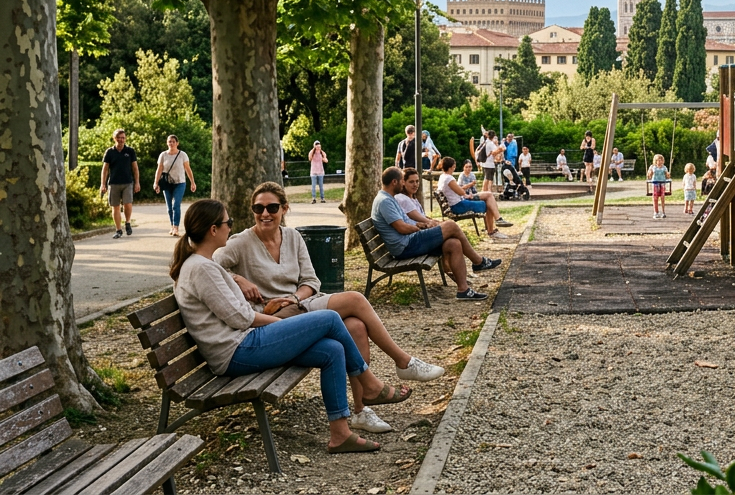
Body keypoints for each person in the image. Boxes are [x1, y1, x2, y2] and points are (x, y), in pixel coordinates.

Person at [172, 198, 408, 454]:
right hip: (236, 351)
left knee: (332, 350)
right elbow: (240, 318)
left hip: (245, 342)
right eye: (228, 222)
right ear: (213, 230)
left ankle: (340, 434)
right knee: (328, 319)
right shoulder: (201, 269)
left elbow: (238, 315)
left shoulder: (203, 265)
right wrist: (287, 324)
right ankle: (370, 385)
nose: (231, 227)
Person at [216, 182, 446, 434]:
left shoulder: (292, 236)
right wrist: (239, 279)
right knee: (356, 300)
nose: (264, 214)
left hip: (300, 304)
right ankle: (403, 362)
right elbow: (211, 264)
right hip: (274, 317)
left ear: (284, 208)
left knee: (356, 327)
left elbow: (311, 281)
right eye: (258, 208)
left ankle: (360, 411)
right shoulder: (241, 243)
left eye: (272, 207)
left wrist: (295, 298)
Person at [372, 167, 502, 300]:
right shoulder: (385, 201)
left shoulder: (389, 198)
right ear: (394, 182)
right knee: (450, 225)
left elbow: (405, 223)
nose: (403, 184)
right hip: (405, 246)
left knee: (453, 243)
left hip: (408, 241)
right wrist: (421, 228)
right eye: (401, 181)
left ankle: (463, 290)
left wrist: (421, 225)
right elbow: (402, 228)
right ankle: (478, 261)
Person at [435, 159, 512, 233]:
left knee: (488, 194)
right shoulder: (449, 179)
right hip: (458, 205)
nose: (454, 168)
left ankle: (498, 219)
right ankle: (491, 230)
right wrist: (466, 193)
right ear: (451, 167)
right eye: (454, 166)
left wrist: (466, 195)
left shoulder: (443, 176)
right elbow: (461, 191)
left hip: (461, 200)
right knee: (488, 204)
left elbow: (459, 192)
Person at [100, 128, 140, 238]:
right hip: (113, 183)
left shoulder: (130, 151)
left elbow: (135, 168)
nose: (121, 140)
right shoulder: (110, 152)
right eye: (119, 138)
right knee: (115, 207)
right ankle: (118, 230)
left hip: (127, 182)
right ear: (114, 138)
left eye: (123, 138)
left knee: (128, 204)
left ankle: (127, 222)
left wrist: (137, 183)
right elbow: (105, 169)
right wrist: (102, 184)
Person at [153, 135, 196, 236]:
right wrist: (156, 183)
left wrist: (192, 182)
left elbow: (188, 169)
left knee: (176, 205)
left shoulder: (182, 155)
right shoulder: (163, 155)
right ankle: (172, 226)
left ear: (177, 143)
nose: (171, 143)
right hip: (167, 184)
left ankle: (176, 227)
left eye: (173, 142)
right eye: (169, 142)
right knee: (169, 207)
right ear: (167, 143)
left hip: (180, 183)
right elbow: (159, 170)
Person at [648, 153, 670, 220]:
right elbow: (649, 175)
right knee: (655, 198)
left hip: (662, 183)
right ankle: (656, 212)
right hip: (655, 183)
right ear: (655, 161)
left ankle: (663, 212)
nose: (659, 162)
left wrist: (668, 175)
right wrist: (649, 173)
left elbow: (667, 176)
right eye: (658, 160)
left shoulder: (664, 167)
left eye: (661, 160)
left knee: (662, 198)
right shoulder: (652, 167)